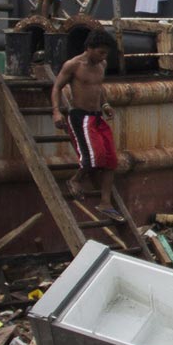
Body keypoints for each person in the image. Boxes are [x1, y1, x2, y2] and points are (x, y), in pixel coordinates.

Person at [51, 39, 124, 219]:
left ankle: (105, 203)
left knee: (111, 160)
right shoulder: (74, 65)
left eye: (106, 53)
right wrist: (56, 112)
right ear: (89, 48)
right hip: (80, 117)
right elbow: (57, 87)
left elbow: (98, 88)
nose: (103, 57)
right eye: (100, 52)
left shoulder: (102, 64)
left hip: (97, 116)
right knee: (94, 156)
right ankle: (75, 180)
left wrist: (105, 104)